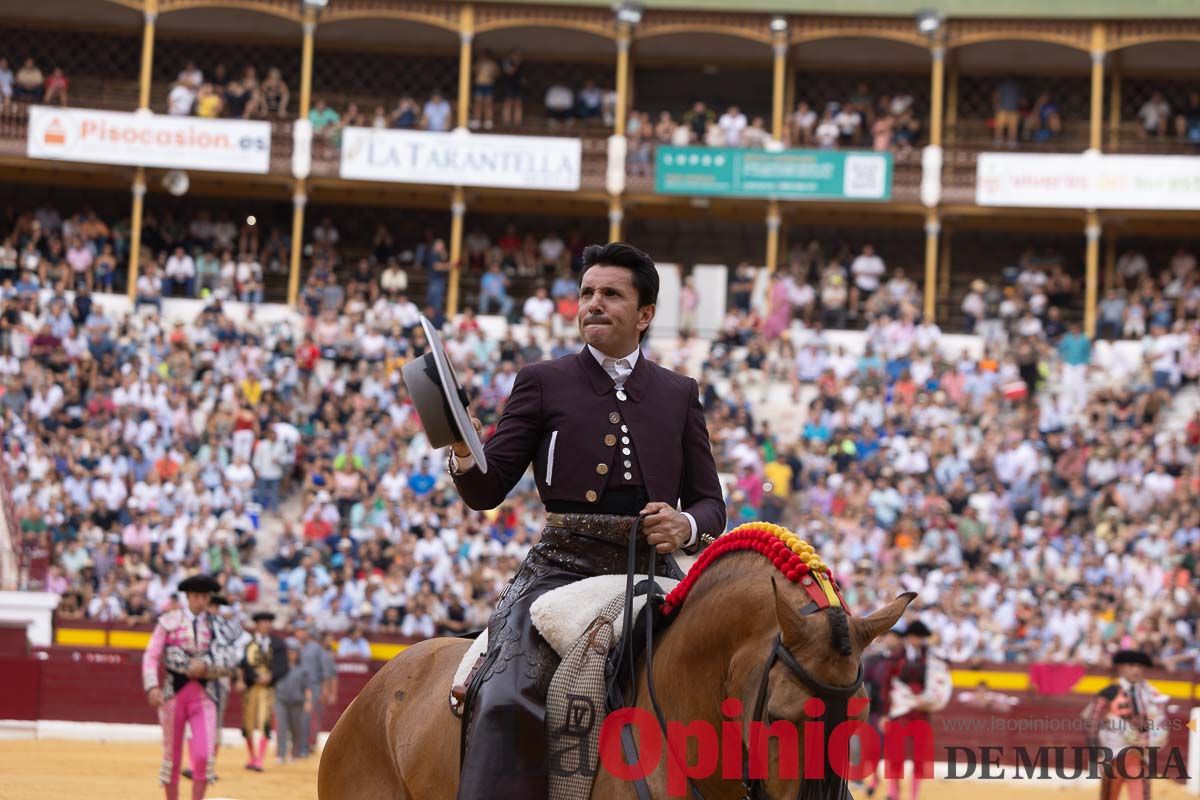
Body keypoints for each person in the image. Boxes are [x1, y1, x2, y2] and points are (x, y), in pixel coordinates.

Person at [449, 242, 725, 800]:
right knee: (504, 693)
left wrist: (686, 527)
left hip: (655, 571)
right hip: (561, 569)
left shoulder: (678, 393)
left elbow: (710, 504)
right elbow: (487, 489)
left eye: (611, 294)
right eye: (587, 293)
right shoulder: (542, 380)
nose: (594, 303)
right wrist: (462, 446)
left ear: (645, 315)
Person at [141, 574, 239, 800]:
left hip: (204, 696)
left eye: (205, 596)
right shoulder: (168, 620)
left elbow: (230, 660)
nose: (201, 601)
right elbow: (152, 655)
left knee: (204, 755)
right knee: (172, 758)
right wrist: (151, 686)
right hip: (173, 695)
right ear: (188, 597)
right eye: (197, 596)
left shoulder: (218, 626)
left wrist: (206, 667)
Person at [1080, 649, 1168, 800]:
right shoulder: (1109, 693)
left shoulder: (1151, 694)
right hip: (1112, 757)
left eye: (1140, 666)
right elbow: (1091, 724)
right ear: (1121, 667)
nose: (1137, 670)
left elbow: (1161, 724)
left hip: (1139, 757)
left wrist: (1152, 740)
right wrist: (1098, 757)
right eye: (1132, 665)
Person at [886, 620, 951, 800]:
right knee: (895, 751)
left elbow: (942, 672)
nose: (920, 641)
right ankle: (893, 792)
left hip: (921, 709)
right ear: (909, 637)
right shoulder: (896, 656)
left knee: (919, 753)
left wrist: (930, 700)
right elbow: (887, 683)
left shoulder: (930, 656)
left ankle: (914, 795)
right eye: (917, 637)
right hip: (900, 707)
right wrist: (885, 711)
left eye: (922, 638)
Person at [240, 611, 287, 771]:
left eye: (268, 621)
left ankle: (259, 759)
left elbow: (283, 666)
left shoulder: (278, 643)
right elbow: (243, 664)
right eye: (263, 621)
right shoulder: (248, 643)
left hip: (268, 689)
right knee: (248, 724)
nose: (266, 624)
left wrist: (271, 676)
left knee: (264, 722)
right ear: (257, 624)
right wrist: (255, 677)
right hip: (251, 688)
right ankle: (252, 757)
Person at [272, 638, 313, 764]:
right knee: (281, 728)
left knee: (296, 729)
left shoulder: (302, 669)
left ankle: (294, 753)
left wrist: (308, 701)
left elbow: (307, 687)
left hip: (297, 702)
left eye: (294, 652)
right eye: (289, 652)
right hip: (281, 701)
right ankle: (280, 754)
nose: (292, 655)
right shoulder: (279, 667)